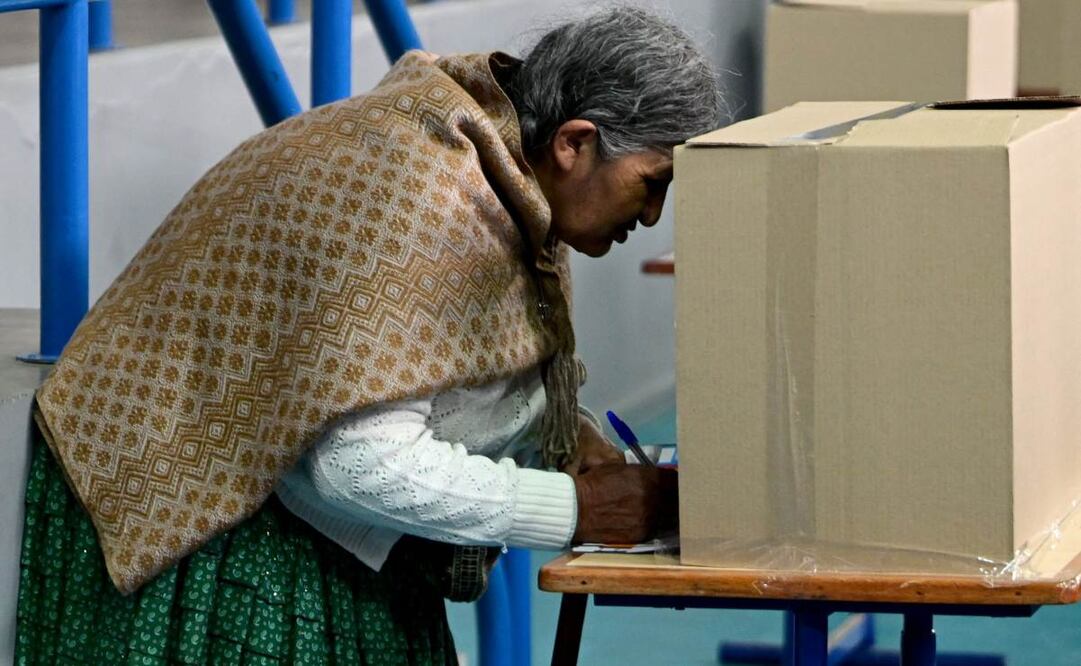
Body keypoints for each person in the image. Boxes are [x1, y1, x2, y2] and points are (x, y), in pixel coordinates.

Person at [17, 6, 722, 664]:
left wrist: (564, 432)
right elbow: (357, 466)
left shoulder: (500, 167)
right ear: (574, 143)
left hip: (293, 510)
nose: (653, 217)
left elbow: (443, 361)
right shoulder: (424, 198)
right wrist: (575, 509)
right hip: (204, 518)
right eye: (651, 182)